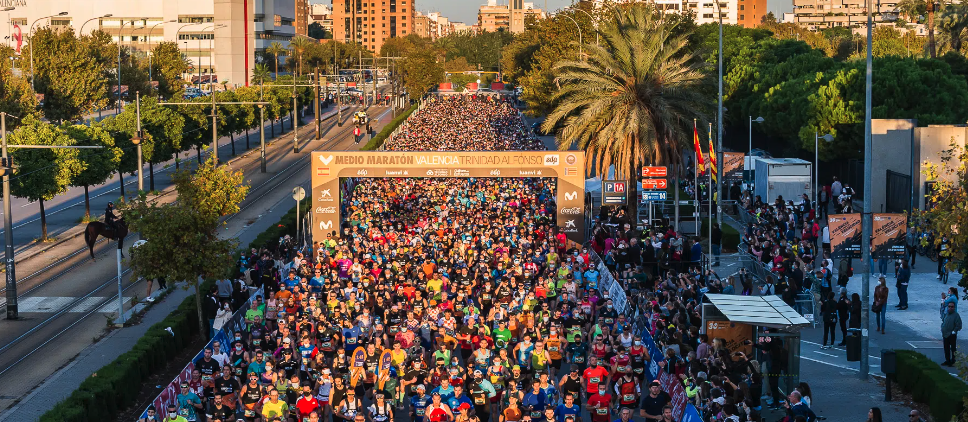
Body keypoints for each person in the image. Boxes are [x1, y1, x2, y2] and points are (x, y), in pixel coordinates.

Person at [941, 301, 962, 366]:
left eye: (952, 307)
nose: (950, 308)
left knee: (953, 348)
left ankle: (953, 361)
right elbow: (943, 321)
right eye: (949, 306)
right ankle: (947, 360)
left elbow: (959, 325)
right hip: (945, 334)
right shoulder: (946, 314)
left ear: (954, 307)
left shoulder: (956, 315)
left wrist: (954, 331)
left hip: (952, 334)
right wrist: (942, 327)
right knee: (946, 348)